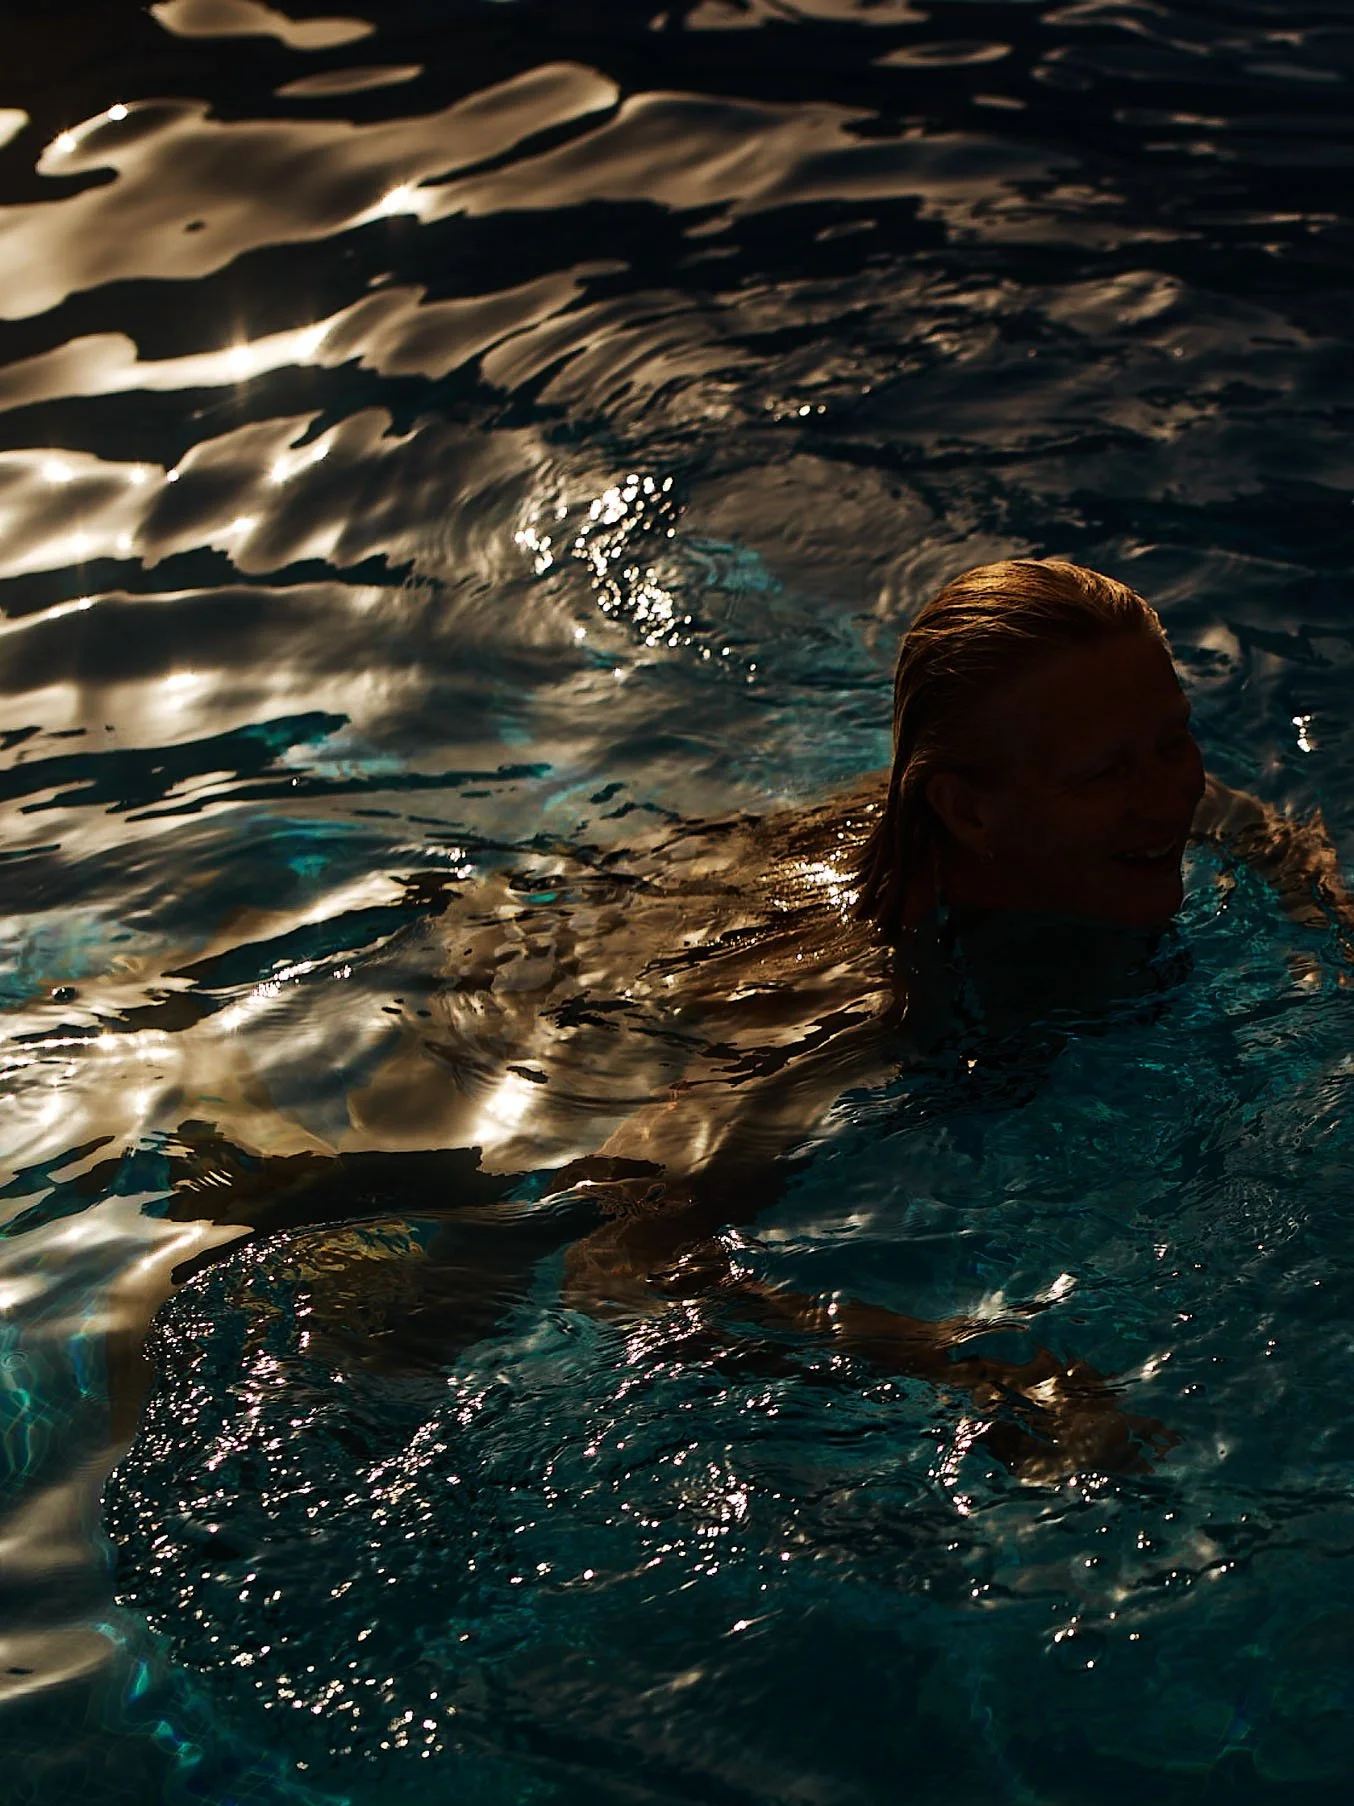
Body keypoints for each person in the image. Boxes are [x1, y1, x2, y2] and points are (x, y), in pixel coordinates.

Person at [134, 558, 1353, 1476]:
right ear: (967, 812)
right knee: (386, 1337)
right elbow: (628, 1270)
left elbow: (1228, 812)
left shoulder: (1042, 799)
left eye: (1174, 738)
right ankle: (178, 1061)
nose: (1171, 787)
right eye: (1109, 773)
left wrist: (1324, 904)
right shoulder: (866, 1012)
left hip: (625, 925)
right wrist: (966, 1370)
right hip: (507, 1037)